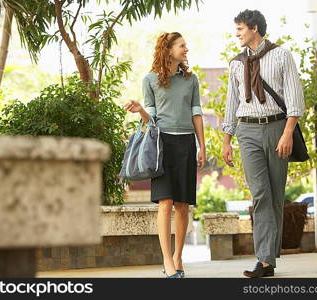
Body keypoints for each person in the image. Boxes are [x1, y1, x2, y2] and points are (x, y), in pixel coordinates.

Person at [222, 9, 305, 278]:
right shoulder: (236, 63)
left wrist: (287, 133)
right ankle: (265, 260)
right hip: (247, 131)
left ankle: (268, 259)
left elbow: (294, 97)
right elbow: (231, 103)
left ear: (255, 28)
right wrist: (227, 139)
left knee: (275, 194)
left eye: (241, 29)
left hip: (277, 128)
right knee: (260, 194)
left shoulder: (281, 55)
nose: (237, 34)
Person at [124, 32, 206, 278]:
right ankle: (167, 260)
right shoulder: (149, 80)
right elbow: (151, 120)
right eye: (182, 46)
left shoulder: (191, 80)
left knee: (182, 205)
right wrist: (140, 111)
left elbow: (197, 115)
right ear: (168, 49)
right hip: (162, 145)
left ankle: (179, 257)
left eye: (186, 45)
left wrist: (202, 146)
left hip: (186, 144)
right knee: (165, 202)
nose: (186, 49)